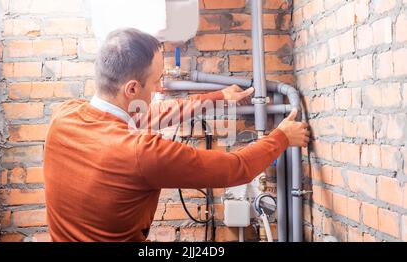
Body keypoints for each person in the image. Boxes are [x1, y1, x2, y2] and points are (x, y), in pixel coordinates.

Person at [44, 28, 310, 242]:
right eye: (157, 80)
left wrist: (217, 98)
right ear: (132, 89)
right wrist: (282, 137)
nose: (160, 87)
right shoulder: (141, 152)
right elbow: (234, 169)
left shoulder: (64, 116)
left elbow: (148, 116)